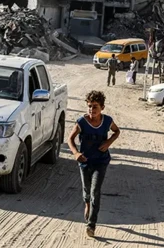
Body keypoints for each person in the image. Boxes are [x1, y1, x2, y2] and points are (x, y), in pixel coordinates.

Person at [68, 90, 120, 238]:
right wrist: (76, 153)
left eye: (95, 106)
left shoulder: (107, 121)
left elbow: (117, 131)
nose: (92, 109)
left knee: (95, 191)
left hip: (101, 161)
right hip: (85, 161)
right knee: (87, 188)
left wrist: (109, 142)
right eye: (89, 106)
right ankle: (87, 204)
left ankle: (91, 224)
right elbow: (70, 139)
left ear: (102, 108)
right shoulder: (81, 122)